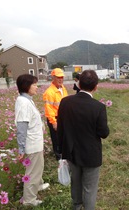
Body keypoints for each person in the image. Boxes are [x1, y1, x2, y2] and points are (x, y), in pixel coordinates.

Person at [57, 70, 110, 210]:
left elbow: (60, 128)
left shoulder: (65, 102)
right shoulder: (98, 107)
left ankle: (76, 206)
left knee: (76, 182)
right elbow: (103, 133)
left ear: (78, 84)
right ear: (96, 86)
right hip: (91, 155)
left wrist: (60, 152)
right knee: (89, 189)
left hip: (72, 152)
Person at [15, 74, 49, 207]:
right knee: (33, 171)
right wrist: (21, 148)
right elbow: (22, 127)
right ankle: (29, 200)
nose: (36, 87)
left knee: (37, 167)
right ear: (26, 86)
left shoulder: (27, 99)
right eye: (34, 84)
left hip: (35, 141)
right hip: (32, 143)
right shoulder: (23, 102)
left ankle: (38, 185)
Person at [43, 68, 68, 160]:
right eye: (58, 77)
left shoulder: (63, 88)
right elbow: (48, 109)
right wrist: (53, 122)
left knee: (63, 136)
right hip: (55, 118)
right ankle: (58, 156)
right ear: (53, 77)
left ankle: (64, 154)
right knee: (56, 138)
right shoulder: (49, 92)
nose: (60, 79)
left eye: (62, 77)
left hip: (63, 117)